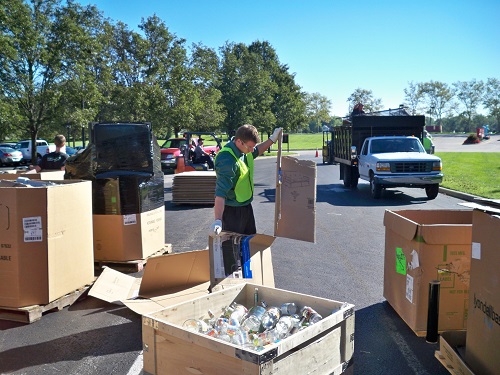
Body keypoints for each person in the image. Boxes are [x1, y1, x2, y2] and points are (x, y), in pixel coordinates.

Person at [210, 124, 281, 275]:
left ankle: (247, 276)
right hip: (231, 211)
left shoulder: (245, 150)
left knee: (249, 244)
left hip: (246, 207)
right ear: (238, 141)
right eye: (249, 147)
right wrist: (218, 220)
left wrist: (272, 140)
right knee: (231, 251)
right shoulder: (227, 159)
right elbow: (220, 193)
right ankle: (229, 280)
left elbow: (257, 150)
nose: (251, 150)